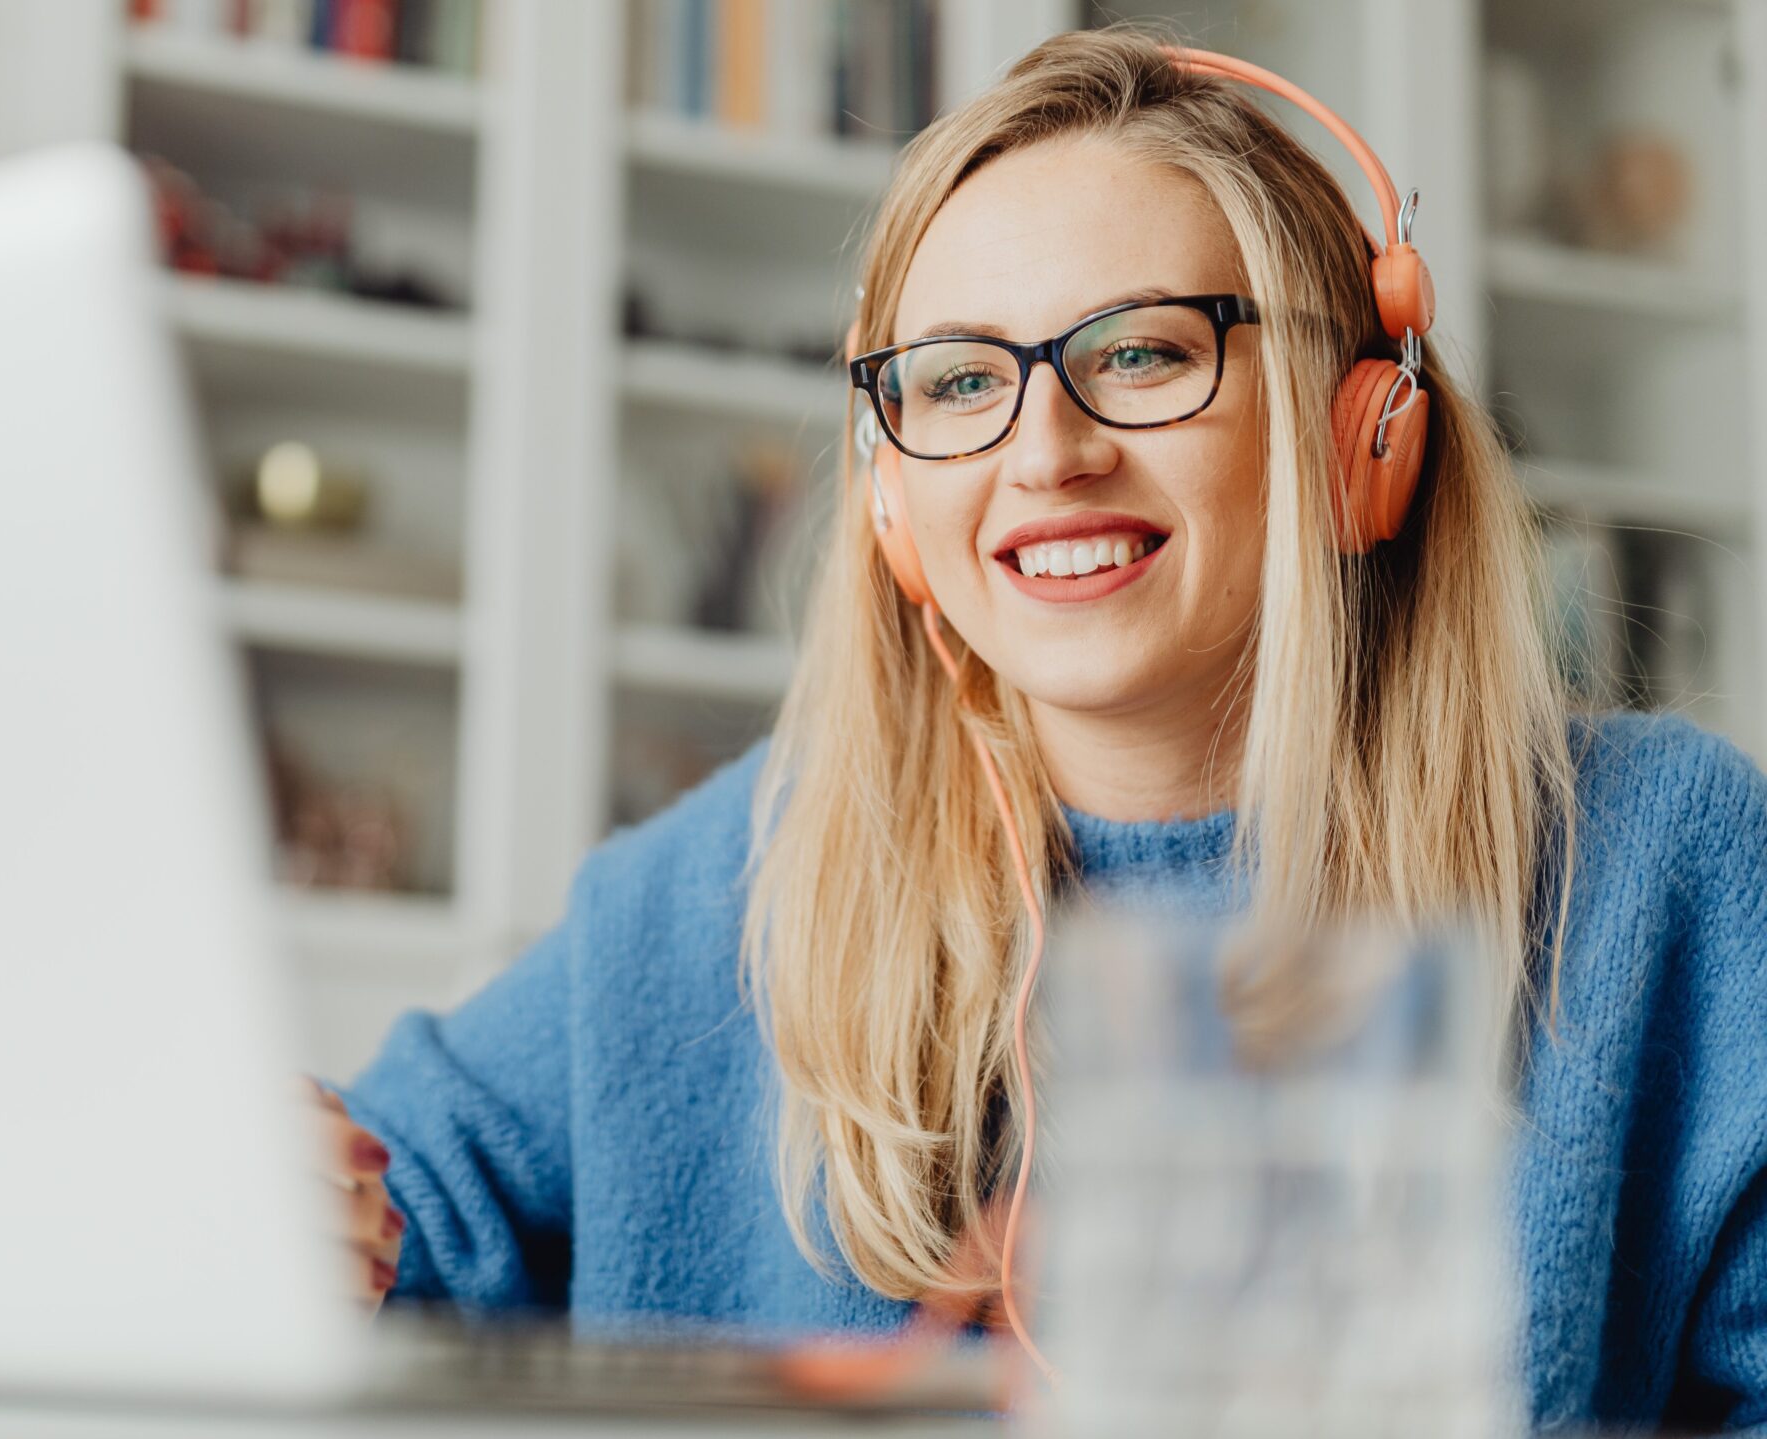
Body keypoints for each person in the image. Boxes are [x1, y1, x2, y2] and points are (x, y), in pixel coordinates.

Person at [328, 27, 1767, 1433]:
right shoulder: (729, 882)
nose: (1046, 452)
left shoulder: (1663, 863)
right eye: (958, 381)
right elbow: (396, 1221)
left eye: (1141, 354)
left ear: (1361, 439)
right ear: (892, 500)